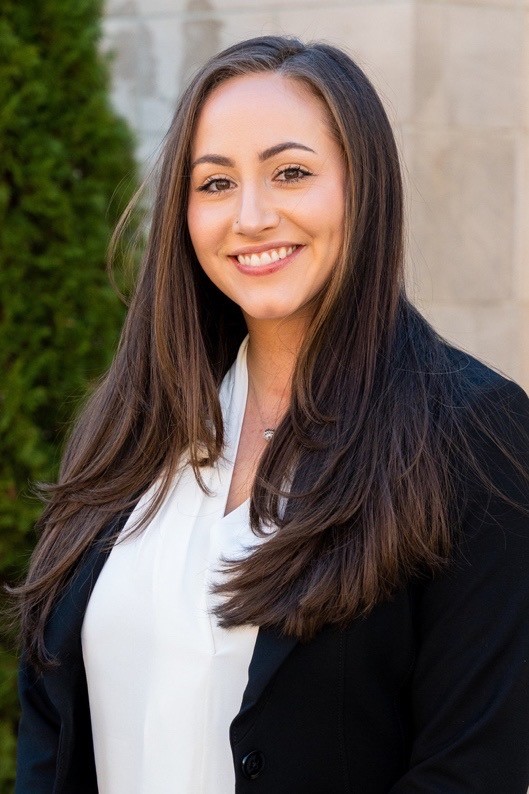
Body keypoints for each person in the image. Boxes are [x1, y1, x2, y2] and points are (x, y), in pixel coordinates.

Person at [13, 35, 529, 793]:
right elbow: (50, 718)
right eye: (214, 184)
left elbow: (471, 768)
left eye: (290, 172)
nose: (250, 216)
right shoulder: (129, 425)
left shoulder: (472, 435)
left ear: (362, 187)